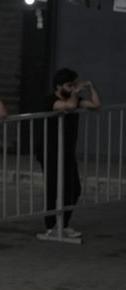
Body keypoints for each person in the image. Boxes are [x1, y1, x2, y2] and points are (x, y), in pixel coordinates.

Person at [35, 68, 101, 239]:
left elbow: (96, 105)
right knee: (53, 187)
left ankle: (63, 224)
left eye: (74, 84)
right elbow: (70, 107)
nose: (73, 88)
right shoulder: (50, 100)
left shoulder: (75, 98)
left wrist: (91, 87)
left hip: (67, 151)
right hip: (49, 150)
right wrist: (76, 94)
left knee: (74, 188)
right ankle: (51, 226)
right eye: (69, 85)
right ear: (59, 86)